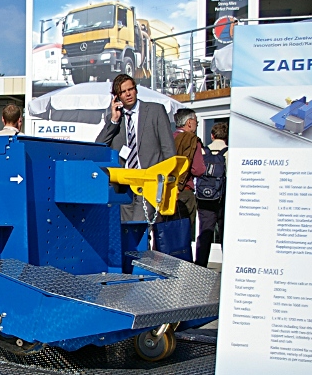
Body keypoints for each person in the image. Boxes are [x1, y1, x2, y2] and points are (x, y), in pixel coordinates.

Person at [95, 74, 176, 222]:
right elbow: (100, 146)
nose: (128, 94)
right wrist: (113, 120)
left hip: (149, 181)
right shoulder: (114, 119)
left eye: (131, 89)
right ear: (116, 97)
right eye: (123, 92)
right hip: (124, 184)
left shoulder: (155, 111)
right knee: (125, 230)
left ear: (136, 90)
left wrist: (167, 182)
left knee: (140, 224)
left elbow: (168, 149)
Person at [195, 121, 228, 267]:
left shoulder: (203, 152)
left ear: (212, 135)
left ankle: (201, 265)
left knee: (205, 232)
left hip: (205, 198)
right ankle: (227, 265)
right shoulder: (229, 153)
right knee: (224, 234)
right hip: (223, 198)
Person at [172, 109, 206, 245]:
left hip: (163, 191)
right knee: (183, 233)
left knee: (165, 230)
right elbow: (198, 169)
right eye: (196, 122)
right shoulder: (192, 141)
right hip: (184, 191)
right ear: (189, 122)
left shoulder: (167, 137)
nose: (197, 125)